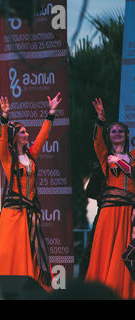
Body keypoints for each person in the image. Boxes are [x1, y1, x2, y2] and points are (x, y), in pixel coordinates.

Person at [0, 93, 62, 290]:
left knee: (33, 250)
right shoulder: (9, 159)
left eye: (27, 132)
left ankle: (33, 286)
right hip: (13, 212)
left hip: (30, 211)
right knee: (10, 251)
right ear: (15, 136)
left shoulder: (31, 156)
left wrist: (50, 114)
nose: (27, 135)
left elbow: (43, 136)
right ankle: (4, 287)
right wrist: (5, 116)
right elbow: (1, 141)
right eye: (23, 132)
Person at [85, 98, 135, 299]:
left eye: (120, 131)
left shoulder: (132, 156)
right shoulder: (106, 156)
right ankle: (103, 289)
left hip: (129, 212)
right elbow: (97, 141)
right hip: (109, 212)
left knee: (125, 252)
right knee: (105, 250)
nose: (116, 133)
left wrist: (120, 162)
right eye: (113, 131)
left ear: (127, 135)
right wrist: (101, 119)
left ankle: (126, 290)